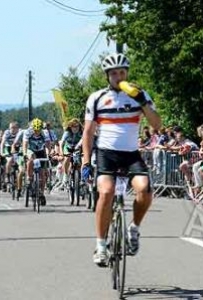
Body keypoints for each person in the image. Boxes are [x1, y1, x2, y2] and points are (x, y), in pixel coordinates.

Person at [81, 53, 161, 266]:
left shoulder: (140, 94)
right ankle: (100, 245)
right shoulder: (97, 98)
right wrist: (86, 161)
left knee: (144, 190)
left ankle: (134, 228)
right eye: (114, 73)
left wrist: (143, 102)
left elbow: (156, 125)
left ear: (127, 73)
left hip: (131, 153)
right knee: (106, 192)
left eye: (122, 72)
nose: (119, 76)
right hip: (106, 153)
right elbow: (88, 133)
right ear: (107, 76)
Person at [22, 118, 51, 205]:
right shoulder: (28, 132)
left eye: (38, 130)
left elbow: (48, 144)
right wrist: (24, 153)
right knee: (31, 158)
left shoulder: (45, 132)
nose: (37, 132)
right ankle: (29, 178)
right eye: (35, 130)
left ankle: (41, 193)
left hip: (41, 151)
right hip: (31, 149)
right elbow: (25, 144)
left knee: (42, 175)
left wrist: (49, 153)